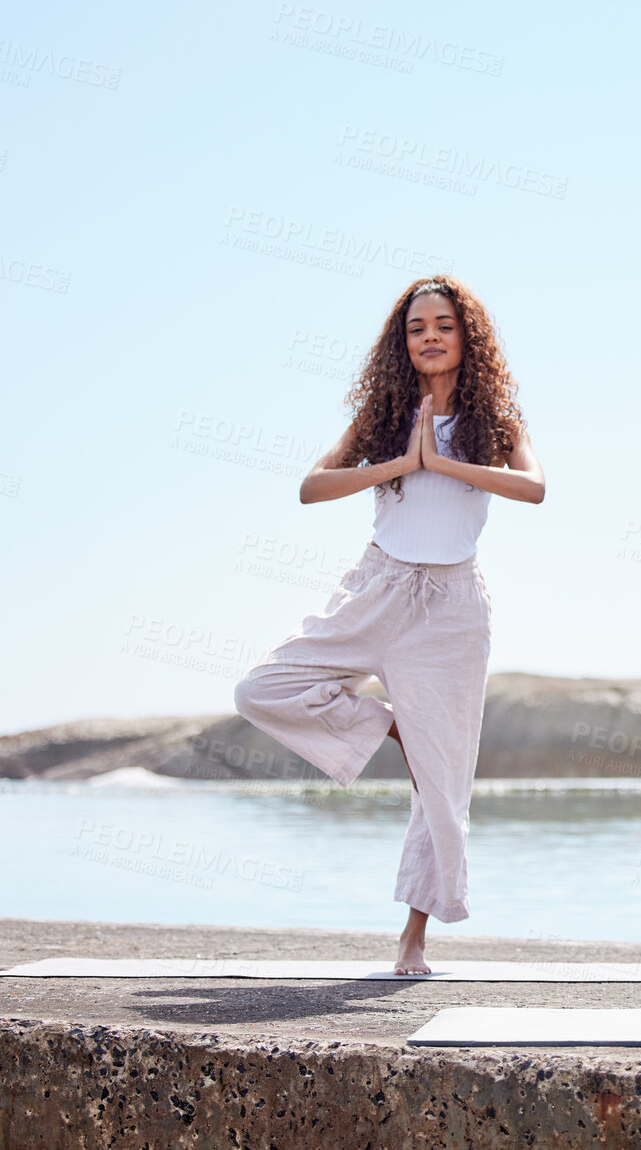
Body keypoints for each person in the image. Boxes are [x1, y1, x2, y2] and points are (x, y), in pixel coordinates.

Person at [233, 274, 545, 976]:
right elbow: (312, 486)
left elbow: (535, 486)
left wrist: (451, 461)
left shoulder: (494, 418)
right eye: (416, 327)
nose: (429, 336)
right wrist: (404, 461)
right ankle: (382, 723)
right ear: (401, 343)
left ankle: (413, 939)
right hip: (376, 588)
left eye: (442, 324)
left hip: (453, 610)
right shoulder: (383, 414)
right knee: (260, 689)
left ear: (467, 335)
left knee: (441, 784)